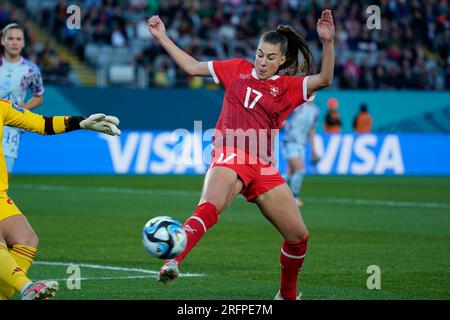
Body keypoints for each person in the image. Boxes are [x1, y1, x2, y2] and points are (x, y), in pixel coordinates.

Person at [148, 9, 334, 300]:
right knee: (210, 208)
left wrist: (328, 42)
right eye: (260, 54)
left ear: (282, 60)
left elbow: (324, 79)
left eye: (270, 58)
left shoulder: (286, 87)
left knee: (299, 238)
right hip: (230, 152)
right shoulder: (235, 68)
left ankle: (287, 296)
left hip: (263, 166)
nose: (262, 62)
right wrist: (162, 37)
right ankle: (174, 259)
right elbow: (192, 67)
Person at [0, 99, 121, 300]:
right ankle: (27, 287)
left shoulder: (2, 107)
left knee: (27, 240)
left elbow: (41, 124)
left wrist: (81, 123)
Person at [0, 23, 45, 177]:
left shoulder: (31, 70)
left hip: (11, 127)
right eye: (10, 38)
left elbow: (39, 96)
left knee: (4, 178)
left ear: (23, 43)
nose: (14, 42)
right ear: (2, 41)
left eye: (18, 39)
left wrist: (25, 106)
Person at [281, 101, 320, 207]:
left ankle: (273, 191)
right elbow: (284, 114)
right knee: (300, 169)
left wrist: (313, 149)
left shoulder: (315, 110)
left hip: (302, 144)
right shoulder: (298, 105)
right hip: (290, 142)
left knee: (290, 173)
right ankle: (294, 197)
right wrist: (282, 123)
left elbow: (312, 130)